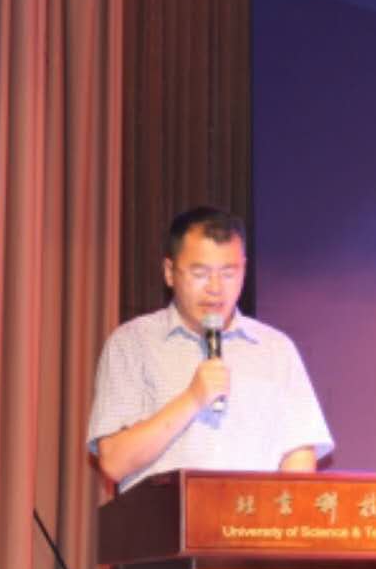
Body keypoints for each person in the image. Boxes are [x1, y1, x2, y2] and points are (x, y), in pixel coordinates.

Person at [87, 207, 334, 493]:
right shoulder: (132, 343)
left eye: (228, 273)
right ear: (169, 272)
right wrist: (193, 398)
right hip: (163, 519)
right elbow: (114, 462)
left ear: (244, 270)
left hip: (251, 517)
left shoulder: (276, 349)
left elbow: (298, 456)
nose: (215, 288)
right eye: (200, 273)